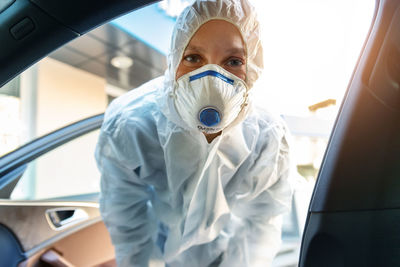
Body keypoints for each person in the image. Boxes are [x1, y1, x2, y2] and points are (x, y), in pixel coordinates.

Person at [95, 0, 294, 266]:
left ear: (253, 68)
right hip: (159, 253)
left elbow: (260, 224)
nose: (211, 79)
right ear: (175, 59)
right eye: (193, 58)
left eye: (233, 61)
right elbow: (126, 219)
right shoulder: (130, 125)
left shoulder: (267, 137)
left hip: (227, 252)